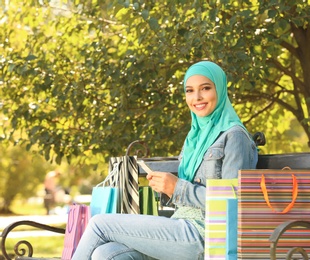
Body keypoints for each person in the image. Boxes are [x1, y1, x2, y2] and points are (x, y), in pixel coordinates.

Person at [71, 61, 258, 260]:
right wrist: (165, 187)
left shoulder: (235, 137)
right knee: (106, 254)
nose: (197, 97)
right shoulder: (195, 137)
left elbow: (233, 201)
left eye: (205, 88)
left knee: (99, 224)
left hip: (207, 234)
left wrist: (177, 188)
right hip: (180, 226)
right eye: (190, 90)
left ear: (220, 89)